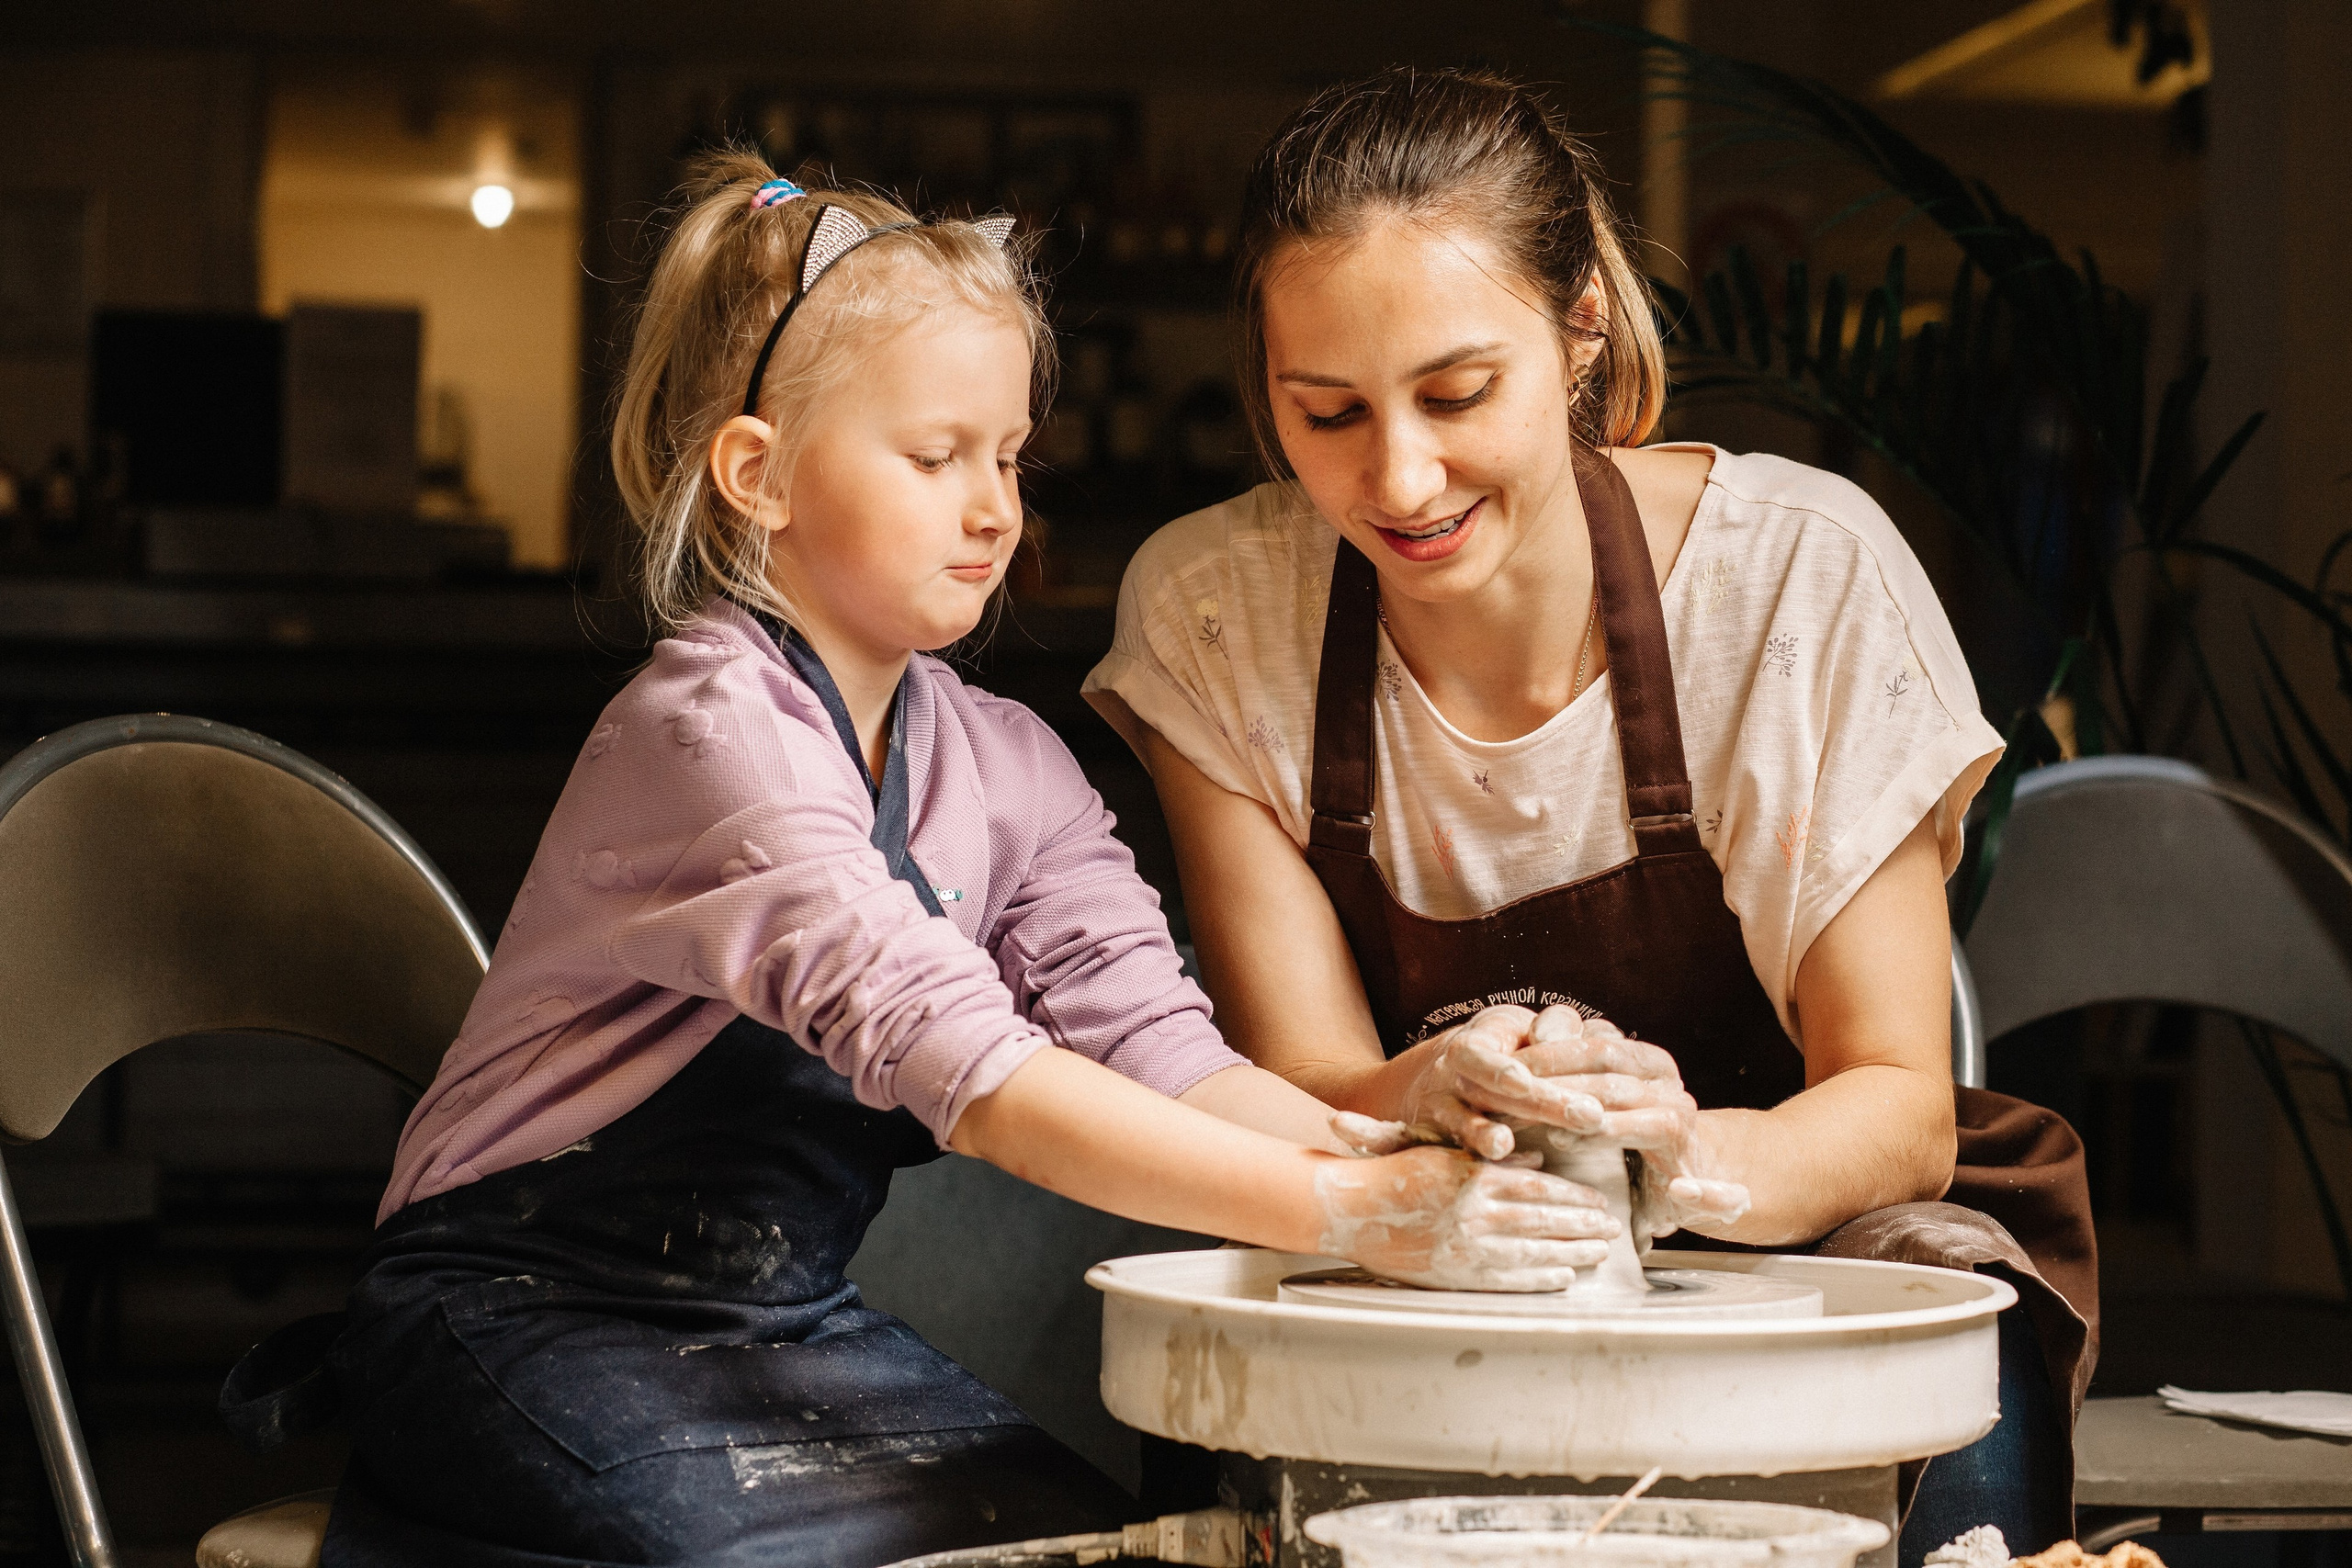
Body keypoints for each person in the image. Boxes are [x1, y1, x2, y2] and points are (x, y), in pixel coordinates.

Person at [315, 155, 1619, 1568]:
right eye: (937, 459)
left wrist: (1418, 1149)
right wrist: (1357, 1212)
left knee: (1106, 1551)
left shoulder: (1007, 763)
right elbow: (979, 1079)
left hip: (775, 1325)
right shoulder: (706, 734)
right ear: (758, 475)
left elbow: (1170, 1062)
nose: (996, 508)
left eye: (1009, 457)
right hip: (505, 1313)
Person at [1082, 69, 2097, 1563]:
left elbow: (1895, 1097)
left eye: (1456, 393)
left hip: (1808, 1221)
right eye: (1329, 413)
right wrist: (1433, 1091)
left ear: (1579, 336)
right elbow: (1300, 1078)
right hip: (1423, 1224)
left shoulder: (1799, 582)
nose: (1399, 477)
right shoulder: (1218, 613)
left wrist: (1676, 1165)